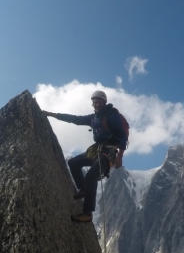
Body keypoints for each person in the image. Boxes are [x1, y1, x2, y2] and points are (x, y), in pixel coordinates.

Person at [43, 90, 127, 223]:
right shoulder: (93, 118)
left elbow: (123, 136)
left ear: (104, 102)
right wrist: (51, 114)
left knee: (91, 176)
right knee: (74, 163)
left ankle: (87, 213)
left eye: (99, 101)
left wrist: (120, 156)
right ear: (92, 103)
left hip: (108, 152)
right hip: (97, 150)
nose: (97, 103)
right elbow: (74, 119)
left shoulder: (111, 116)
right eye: (95, 101)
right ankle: (83, 188)